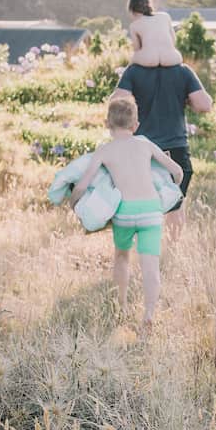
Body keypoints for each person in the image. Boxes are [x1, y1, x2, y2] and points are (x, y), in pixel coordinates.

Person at [70, 96, 183, 332]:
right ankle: (149, 313)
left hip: (124, 212)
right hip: (151, 210)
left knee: (122, 257)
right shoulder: (145, 144)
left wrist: (74, 204)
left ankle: (121, 305)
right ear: (136, 124)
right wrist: (170, 189)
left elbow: (82, 185)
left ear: (107, 124)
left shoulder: (104, 151)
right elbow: (177, 171)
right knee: (150, 264)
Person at [111, 45, 213, 238]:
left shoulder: (134, 71)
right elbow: (204, 104)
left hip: (140, 149)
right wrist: (184, 99)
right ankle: (172, 250)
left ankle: (140, 246)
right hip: (175, 148)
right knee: (174, 202)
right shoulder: (183, 71)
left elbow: (116, 102)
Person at [127, 0, 183, 68]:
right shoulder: (165, 16)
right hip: (173, 59)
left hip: (150, 60)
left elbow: (137, 49)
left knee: (134, 57)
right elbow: (173, 40)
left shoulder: (134, 26)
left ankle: (123, 72)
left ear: (132, 9)